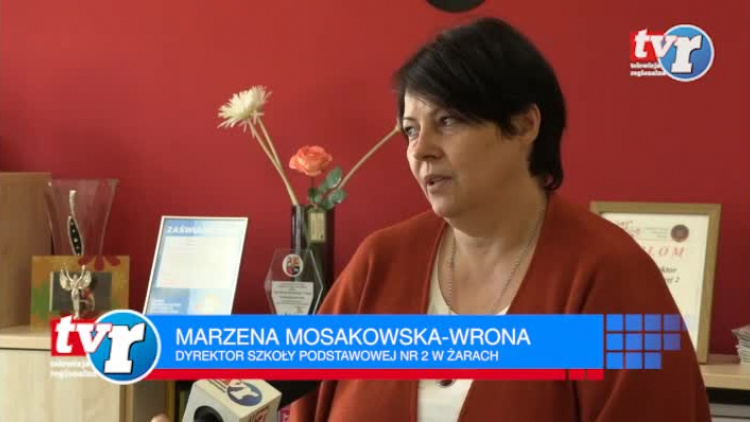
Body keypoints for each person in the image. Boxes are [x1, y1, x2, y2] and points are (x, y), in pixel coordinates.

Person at [290, 17, 711, 422]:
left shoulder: (611, 275)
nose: (420, 150)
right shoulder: (379, 262)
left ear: (523, 125)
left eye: (447, 121)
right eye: (411, 130)